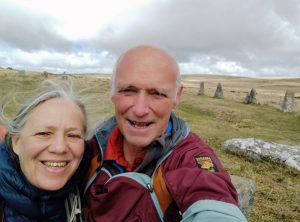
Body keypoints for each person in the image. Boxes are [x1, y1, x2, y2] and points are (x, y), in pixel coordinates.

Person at [82, 45, 247, 221]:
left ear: (177, 96)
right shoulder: (89, 144)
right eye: (128, 91)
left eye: (157, 94)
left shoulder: (188, 158)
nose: (140, 110)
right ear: (112, 91)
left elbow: (213, 201)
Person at [0, 79, 89, 221]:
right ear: (16, 142)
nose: (60, 148)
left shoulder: (91, 188)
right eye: (43, 134)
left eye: (73, 135)